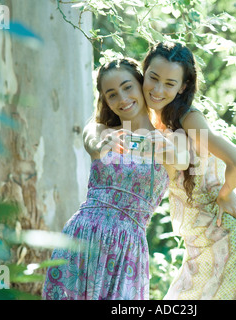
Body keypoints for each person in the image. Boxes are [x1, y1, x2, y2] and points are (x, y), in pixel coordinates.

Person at [42, 58, 188, 300]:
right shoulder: (101, 130)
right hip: (82, 237)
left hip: (127, 249)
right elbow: (92, 143)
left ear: (142, 86)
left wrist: (156, 143)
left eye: (127, 87)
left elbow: (182, 160)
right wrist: (103, 144)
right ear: (106, 101)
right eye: (112, 94)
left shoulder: (171, 138)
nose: (122, 98)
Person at [141, 41, 236, 299]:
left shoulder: (188, 118)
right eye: (153, 78)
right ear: (144, 72)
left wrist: (225, 194)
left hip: (227, 241)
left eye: (170, 84)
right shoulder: (155, 120)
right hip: (203, 245)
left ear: (183, 87)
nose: (157, 90)